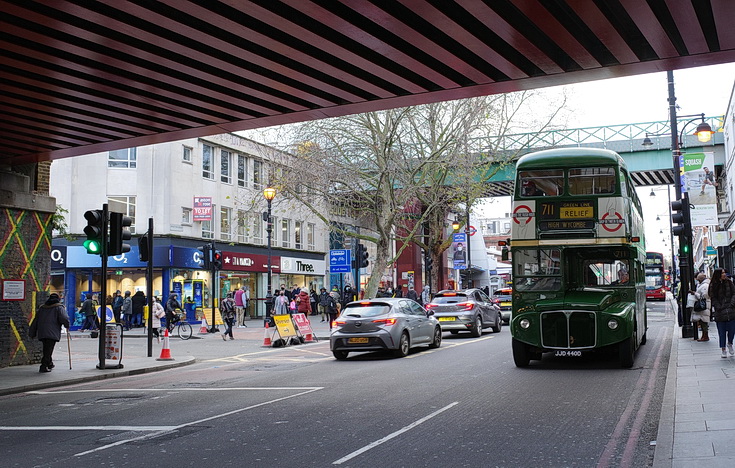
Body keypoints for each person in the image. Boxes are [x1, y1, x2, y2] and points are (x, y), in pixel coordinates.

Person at [29, 293, 70, 373]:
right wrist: (67, 325)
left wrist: (32, 332)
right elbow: (64, 318)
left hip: (42, 331)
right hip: (52, 331)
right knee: (48, 349)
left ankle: (50, 363)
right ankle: (43, 366)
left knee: (47, 348)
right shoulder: (59, 307)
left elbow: (36, 320)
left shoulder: (42, 308)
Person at [707, 268, 735, 358]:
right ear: (718, 274)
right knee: (721, 332)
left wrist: (732, 304)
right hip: (720, 312)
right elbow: (712, 297)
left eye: (724, 273)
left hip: (730, 310)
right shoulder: (713, 285)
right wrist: (718, 307)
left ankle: (730, 343)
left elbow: (734, 293)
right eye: (722, 273)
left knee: (732, 330)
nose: (724, 274)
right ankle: (723, 349)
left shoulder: (729, 282)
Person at [693, 273, 711, 342]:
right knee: (702, 321)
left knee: (704, 321)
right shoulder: (702, 285)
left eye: (698, 280)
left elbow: (704, 296)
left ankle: (705, 336)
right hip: (704, 305)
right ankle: (704, 336)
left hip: (704, 305)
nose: (697, 281)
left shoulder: (705, 286)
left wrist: (695, 293)